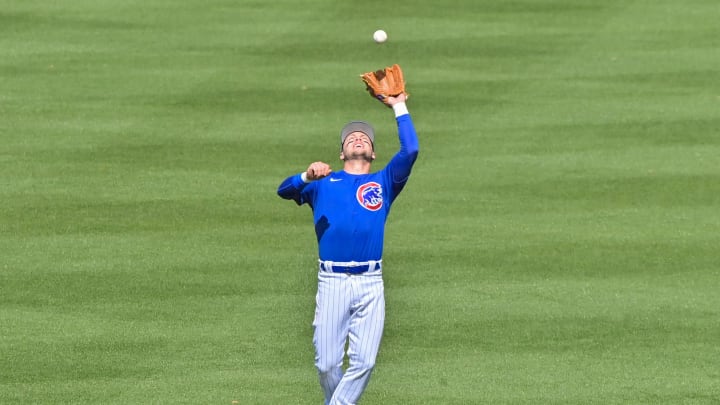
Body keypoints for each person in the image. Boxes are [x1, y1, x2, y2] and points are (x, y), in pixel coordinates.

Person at [277, 91, 419, 404]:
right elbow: (283, 190)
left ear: (372, 153)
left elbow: (411, 149)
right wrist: (305, 176)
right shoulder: (322, 183)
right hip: (332, 282)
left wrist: (398, 105)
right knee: (327, 365)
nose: (358, 138)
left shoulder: (384, 182)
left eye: (364, 138)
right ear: (342, 153)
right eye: (351, 137)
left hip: (370, 283)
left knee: (364, 362)